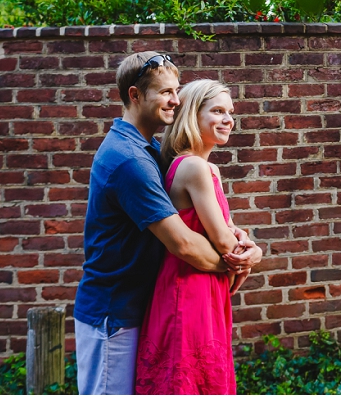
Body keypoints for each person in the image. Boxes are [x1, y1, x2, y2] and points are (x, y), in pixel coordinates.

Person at [73, 52, 260, 395]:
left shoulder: (151, 150)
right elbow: (185, 245)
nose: (176, 100)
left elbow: (205, 219)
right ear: (135, 95)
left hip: (141, 305)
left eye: (177, 91)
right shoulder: (130, 159)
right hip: (114, 313)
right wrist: (239, 260)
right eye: (166, 92)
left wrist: (245, 244)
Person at [135, 79, 262, 394]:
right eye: (217, 111)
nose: (228, 119)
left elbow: (229, 229)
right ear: (193, 114)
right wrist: (253, 255)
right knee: (188, 378)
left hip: (206, 285)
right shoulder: (193, 167)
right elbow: (223, 240)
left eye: (229, 112)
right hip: (188, 286)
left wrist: (244, 244)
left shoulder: (207, 169)